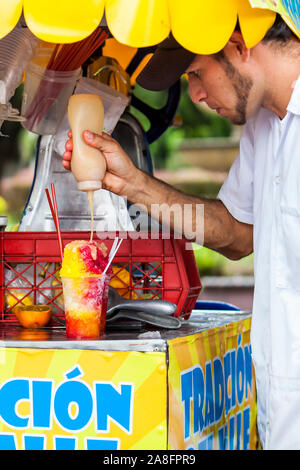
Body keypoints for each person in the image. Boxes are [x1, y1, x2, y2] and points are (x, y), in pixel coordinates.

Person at [63, 15, 300, 450]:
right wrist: (131, 183)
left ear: (237, 44)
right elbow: (235, 235)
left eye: (195, 73)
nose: (195, 95)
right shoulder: (265, 127)